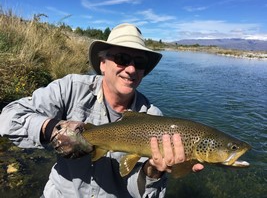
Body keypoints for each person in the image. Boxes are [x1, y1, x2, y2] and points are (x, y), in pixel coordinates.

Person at [0, 23, 203, 198]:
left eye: (139, 62)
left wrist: (153, 172)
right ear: (102, 64)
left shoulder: (153, 120)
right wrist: (52, 128)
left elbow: (137, 191)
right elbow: (8, 117)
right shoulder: (70, 88)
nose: (131, 69)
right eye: (122, 58)